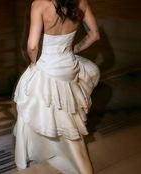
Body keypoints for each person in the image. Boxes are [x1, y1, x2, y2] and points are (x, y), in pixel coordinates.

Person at [13, 0, 100, 173]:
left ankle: (52, 152)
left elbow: (32, 46)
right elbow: (94, 35)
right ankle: (66, 154)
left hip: (48, 67)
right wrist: (74, 49)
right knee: (67, 116)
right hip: (69, 67)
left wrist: (32, 64)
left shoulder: (39, 4)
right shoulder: (81, 2)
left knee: (33, 108)